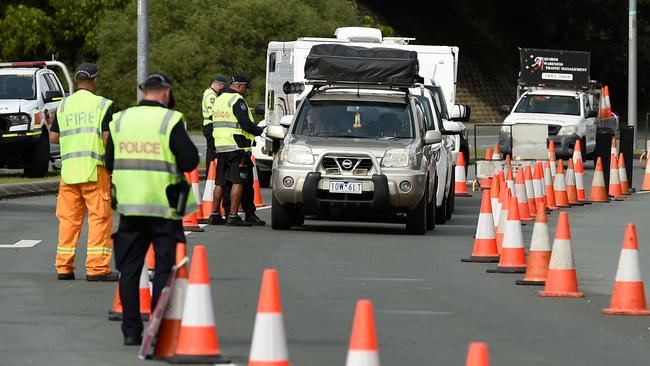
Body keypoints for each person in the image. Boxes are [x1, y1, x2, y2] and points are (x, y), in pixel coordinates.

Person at [105, 73, 199, 345]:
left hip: (130, 209)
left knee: (130, 271)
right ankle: (158, 331)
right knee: (163, 271)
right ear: (166, 92)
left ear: (143, 91)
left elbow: (109, 162)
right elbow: (190, 160)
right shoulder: (170, 120)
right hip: (163, 210)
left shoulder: (120, 120)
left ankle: (131, 331)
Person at [50, 63, 117, 282]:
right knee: (99, 218)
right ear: (95, 80)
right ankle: (97, 269)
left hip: (69, 173)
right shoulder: (101, 105)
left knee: (68, 220)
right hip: (94, 170)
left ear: (77, 81)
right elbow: (107, 138)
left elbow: (54, 137)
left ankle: (64, 267)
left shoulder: (64, 105)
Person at [207, 75, 265, 226]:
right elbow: (245, 124)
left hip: (221, 146)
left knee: (220, 182)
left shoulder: (219, 99)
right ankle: (233, 215)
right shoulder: (237, 101)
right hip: (237, 147)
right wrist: (260, 130)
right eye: (245, 88)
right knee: (238, 181)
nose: (245, 91)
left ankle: (214, 214)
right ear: (238, 86)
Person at [202, 75, 226, 171]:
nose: (222, 89)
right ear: (219, 84)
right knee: (212, 152)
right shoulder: (211, 95)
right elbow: (214, 112)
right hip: (210, 125)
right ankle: (210, 174)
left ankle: (211, 173)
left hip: (208, 125)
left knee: (212, 151)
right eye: (222, 86)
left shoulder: (208, 92)